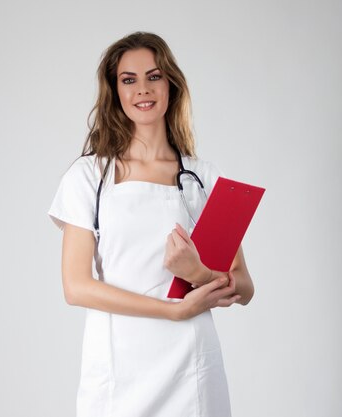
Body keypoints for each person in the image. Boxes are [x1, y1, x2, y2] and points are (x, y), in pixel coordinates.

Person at [47, 31, 254, 417]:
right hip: (118, 369)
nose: (143, 89)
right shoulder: (90, 177)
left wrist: (201, 272)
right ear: (116, 91)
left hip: (192, 368)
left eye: (154, 76)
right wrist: (172, 311)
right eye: (129, 80)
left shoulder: (202, 177)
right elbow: (76, 287)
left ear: (171, 84)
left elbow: (244, 286)